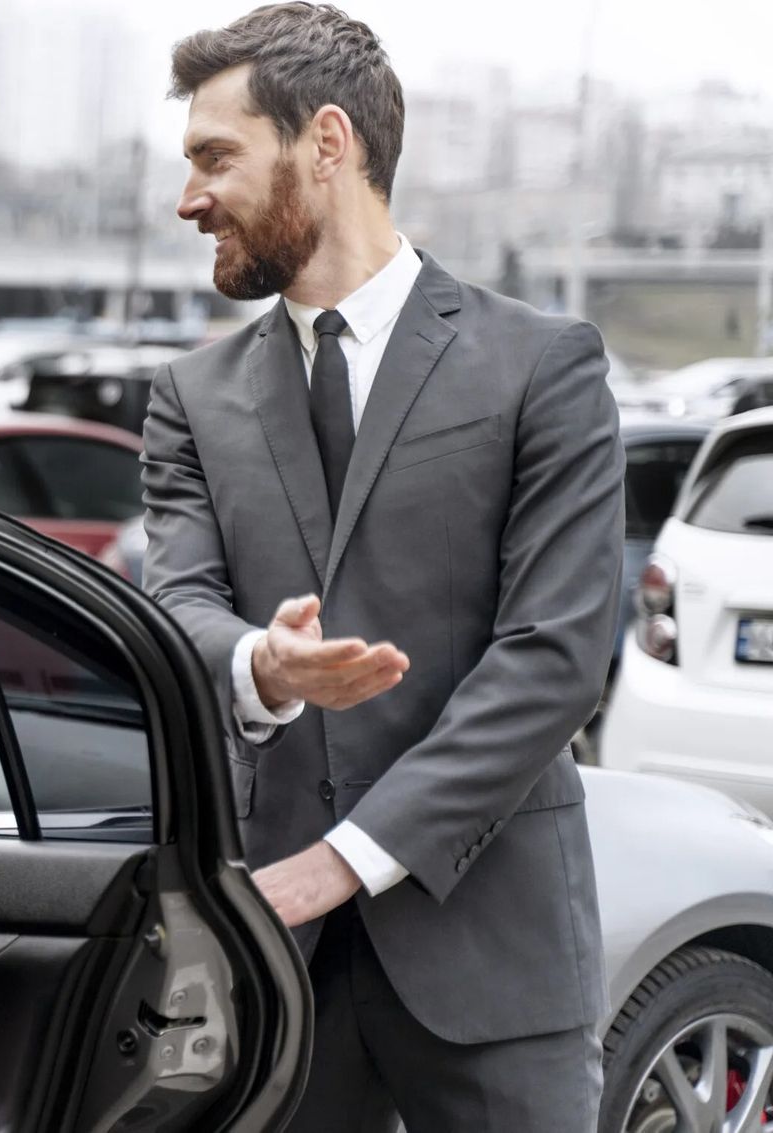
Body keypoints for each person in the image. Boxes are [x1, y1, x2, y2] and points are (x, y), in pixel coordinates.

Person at [142, 5, 623, 1130]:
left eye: (216, 157)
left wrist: (347, 859)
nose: (188, 197)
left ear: (326, 142)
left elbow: (553, 661)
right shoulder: (190, 399)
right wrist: (262, 663)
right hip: (276, 972)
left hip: (492, 961)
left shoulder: (542, 365)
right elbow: (181, 609)